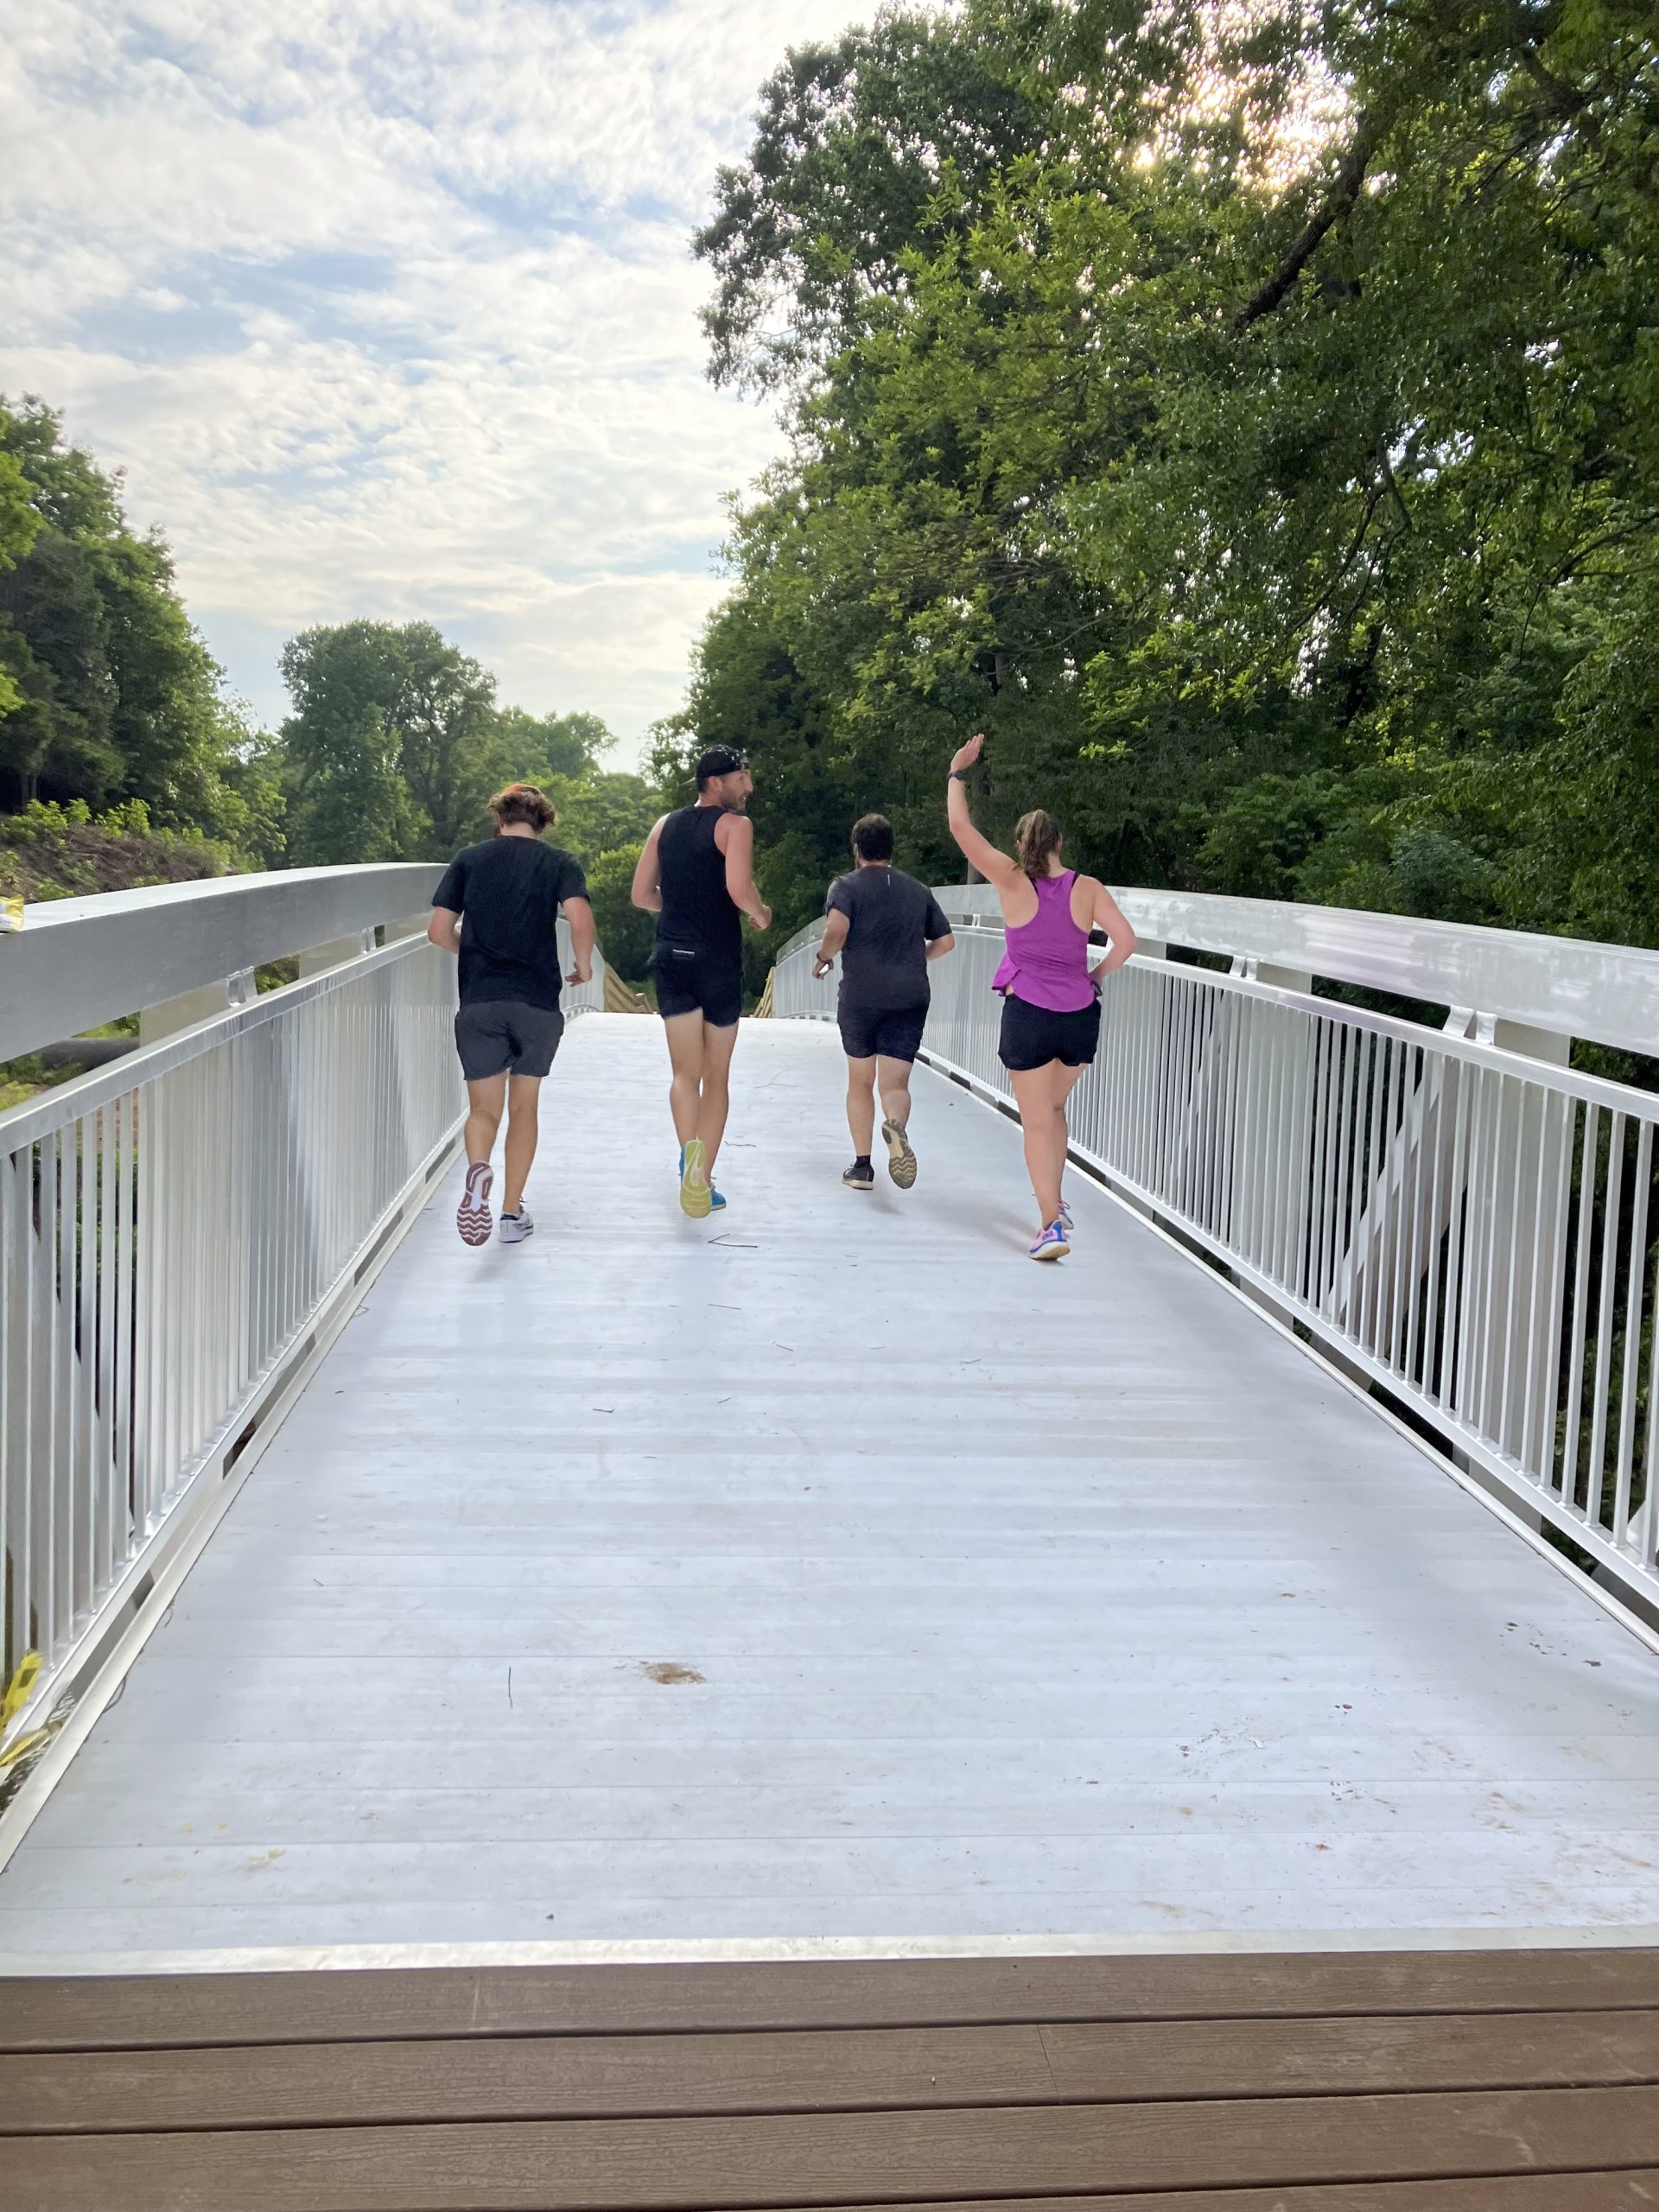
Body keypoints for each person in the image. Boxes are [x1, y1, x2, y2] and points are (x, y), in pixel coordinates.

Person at [944, 732, 1136, 1260]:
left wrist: (957, 772)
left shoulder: (1010, 880)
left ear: (1021, 845)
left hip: (1028, 1013)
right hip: (1079, 1017)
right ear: (1059, 843)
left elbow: (960, 827)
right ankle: (1058, 1198)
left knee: (1035, 1121)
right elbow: (1126, 942)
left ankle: (1050, 1224)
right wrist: (1095, 976)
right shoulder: (1087, 888)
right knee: (1054, 1107)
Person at [429, 781, 594, 1248]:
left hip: (481, 1002)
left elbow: (438, 931)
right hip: (536, 1004)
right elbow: (580, 919)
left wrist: (471, 952)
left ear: (499, 819)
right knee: (524, 1108)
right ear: (543, 823)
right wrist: (582, 965)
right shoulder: (559, 863)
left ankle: (479, 1170)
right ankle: (510, 1212)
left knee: (484, 1111)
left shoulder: (469, 859)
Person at [631, 744, 772, 1217]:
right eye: (742, 778)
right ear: (716, 782)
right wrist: (761, 913)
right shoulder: (735, 826)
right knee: (716, 1076)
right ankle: (702, 1177)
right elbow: (738, 889)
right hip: (717, 960)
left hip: (672, 957)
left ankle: (688, 1157)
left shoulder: (662, 826)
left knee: (683, 1074)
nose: (749, 787)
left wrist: (675, 907)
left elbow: (641, 895)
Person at [812, 813, 956, 1192]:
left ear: (857, 850)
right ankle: (896, 1126)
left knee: (861, 1082)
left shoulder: (846, 886)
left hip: (862, 996)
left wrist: (824, 957)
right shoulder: (918, 890)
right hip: (909, 996)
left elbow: (836, 929)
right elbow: (946, 942)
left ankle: (862, 1168)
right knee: (895, 1086)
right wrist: (916, 959)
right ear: (891, 849)